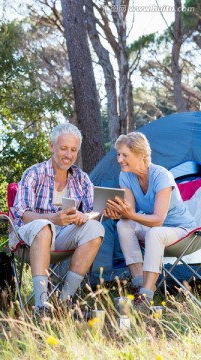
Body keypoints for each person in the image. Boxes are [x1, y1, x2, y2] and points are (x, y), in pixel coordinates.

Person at [10, 123, 105, 318]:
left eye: (73, 150)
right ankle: (41, 306)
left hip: (62, 238)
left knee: (95, 228)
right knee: (44, 226)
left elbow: (94, 211)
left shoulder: (81, 178)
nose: (68, 155)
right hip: (28, 239)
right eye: (63, 148)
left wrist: (84, 216)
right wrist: (53, 219)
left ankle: (64, 302)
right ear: (52, 146)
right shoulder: (34, 173)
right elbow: (23, 214)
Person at [104, 132, 196, 311]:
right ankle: (139, 283)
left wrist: (129, 214)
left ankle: (147, 295)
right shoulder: (126, 176)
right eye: (118, 154)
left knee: (154, 232)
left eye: (125, 155)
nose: (120, 159)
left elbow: (158, 220)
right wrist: (117, 213)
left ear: (141, 155)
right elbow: (129, 213)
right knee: (123, 224)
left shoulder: (162, 176)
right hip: (156, 231)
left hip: (183, 231)